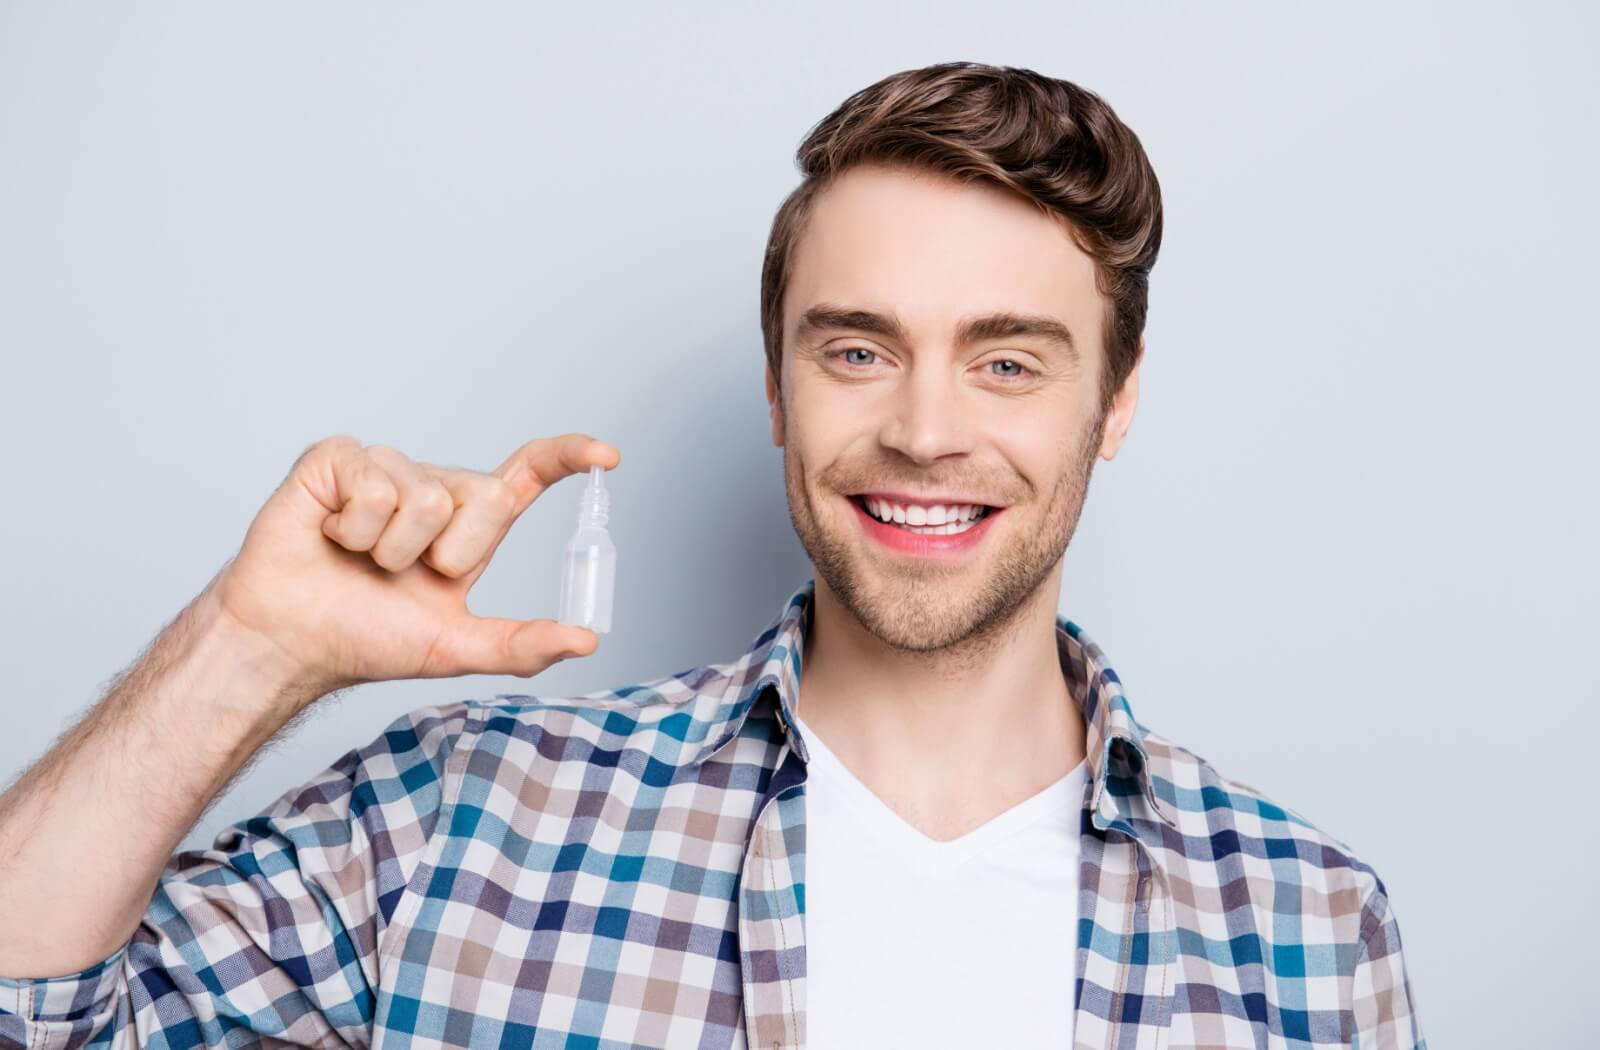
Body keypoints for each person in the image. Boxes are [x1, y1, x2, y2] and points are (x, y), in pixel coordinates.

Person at [0, 61, 1425, 1049]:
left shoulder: (1306, 927)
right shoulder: (462, 825)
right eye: (858, 349)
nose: (925, 431)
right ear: (774, 383)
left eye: (1007, 362)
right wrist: (244, 652)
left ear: (1115, 402)